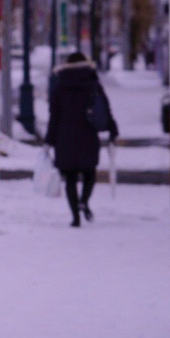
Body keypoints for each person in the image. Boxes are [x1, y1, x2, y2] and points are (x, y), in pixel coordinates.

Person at [45, 50, 119, 227]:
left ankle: (75, 217)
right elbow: (104, 107)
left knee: (70, 178)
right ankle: (84, 201)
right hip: (88, 134)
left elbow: (54, 116)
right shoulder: (92, 83)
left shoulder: (59, 85)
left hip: (65, 136)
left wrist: (49, 140)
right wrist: (112, 128)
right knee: (89, 173)